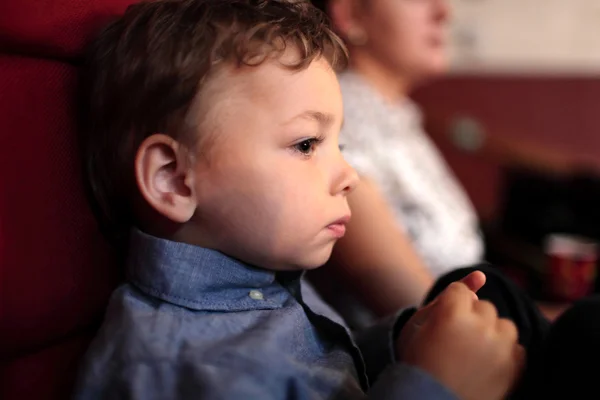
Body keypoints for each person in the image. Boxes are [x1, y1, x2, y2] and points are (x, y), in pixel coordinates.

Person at [71, 1, 527, 398]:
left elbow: (324, 373)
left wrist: (402, 344)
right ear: (173, 179)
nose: (349, 176)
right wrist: (436, 386)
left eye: (339, 148)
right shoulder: (181, 371)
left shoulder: (268, 280)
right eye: (307, 144)